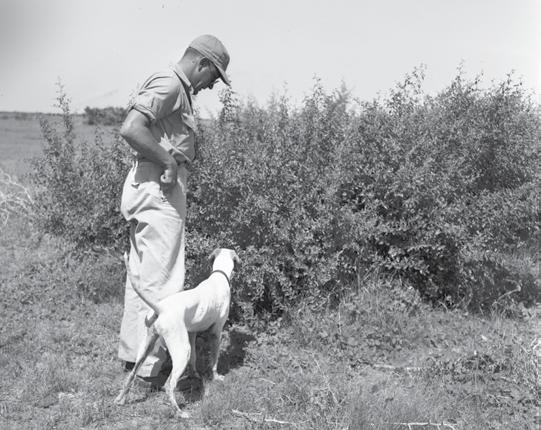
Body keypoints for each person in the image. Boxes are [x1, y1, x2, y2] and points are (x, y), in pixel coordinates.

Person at [117, 34, 231, 384]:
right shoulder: (170, 84)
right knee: (163, 279)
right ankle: (151, 367)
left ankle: (135, 357)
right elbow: (131, 128)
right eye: (214, 77)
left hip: (152, 184)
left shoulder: (178, 89)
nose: (211, 86)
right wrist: (167, 161)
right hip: (160, 187)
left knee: (143, 277)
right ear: (202, 64)